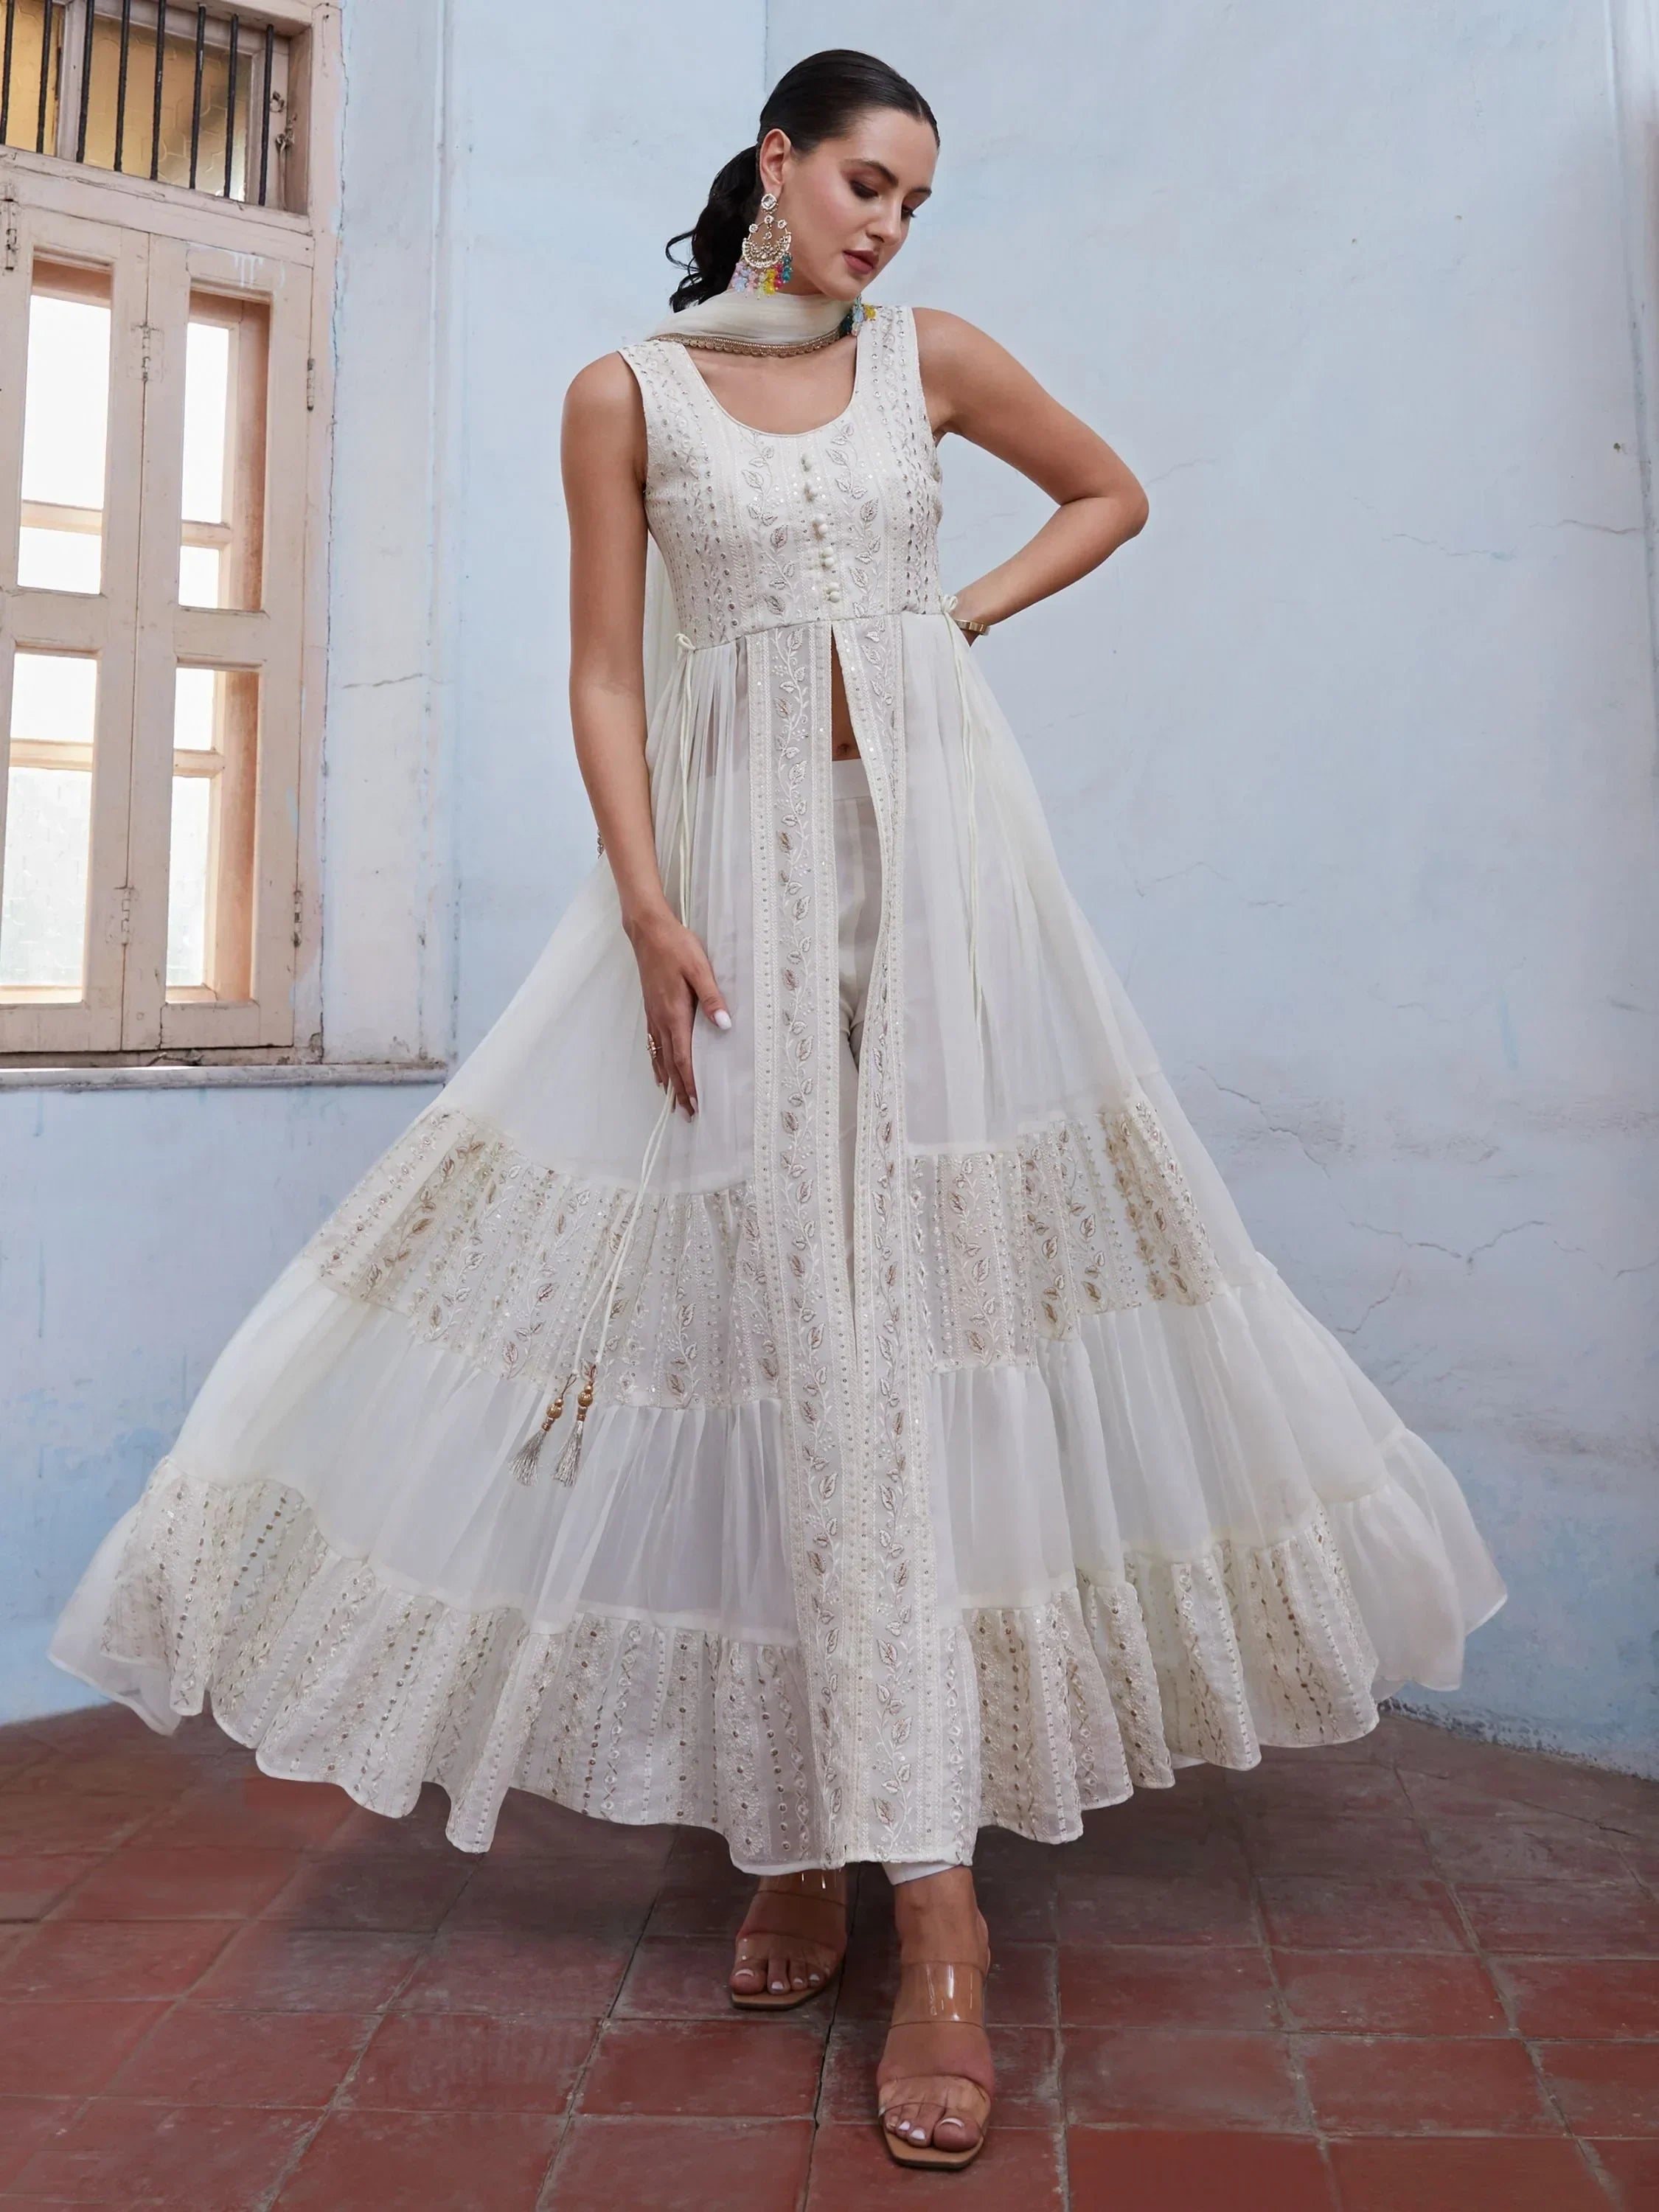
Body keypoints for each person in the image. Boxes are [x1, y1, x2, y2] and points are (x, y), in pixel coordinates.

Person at [52, 46, 1506, 2175]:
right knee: (759, 1348)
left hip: (941, 891)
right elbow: (607, 673)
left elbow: (1107, 492)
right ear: (774, 162)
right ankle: (811, 1835)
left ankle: (935, 1923)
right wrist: (644, 909)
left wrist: (948, 633)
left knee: (908, 1346)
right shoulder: (621, 393)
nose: (887, 225)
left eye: (914, 198)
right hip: (727, 898)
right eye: (862, 181)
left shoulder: (931, 360)